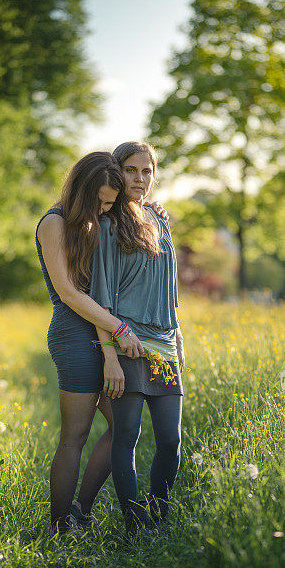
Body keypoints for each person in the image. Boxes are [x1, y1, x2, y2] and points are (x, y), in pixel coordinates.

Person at [36, 151, 166, 537]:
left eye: (110, 203)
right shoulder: (54, 224)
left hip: (104, 331)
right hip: (75, 334)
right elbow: (71, 294)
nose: (104, 209)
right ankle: (61, 525)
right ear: (81, 190)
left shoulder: (96, 221)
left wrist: (151, 208)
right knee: (74, 435)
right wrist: (120, 330)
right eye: (100, 202)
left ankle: (82, 509)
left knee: (124, 428)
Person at [90, 142, 185, 539]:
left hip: (163, 342)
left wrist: (178, 337)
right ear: (117, 171)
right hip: (126, 339)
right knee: (127, 436)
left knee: (170, 440)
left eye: (147, 172)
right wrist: (109, 354)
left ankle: (158, 515)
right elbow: (100, 295)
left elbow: (168, 287)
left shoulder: (160, 221)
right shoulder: (108, 225)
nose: (140, 179)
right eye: (131, 170)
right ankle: (135, 524)